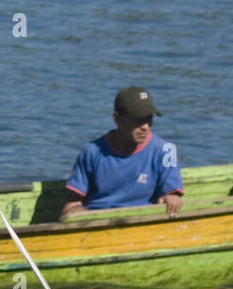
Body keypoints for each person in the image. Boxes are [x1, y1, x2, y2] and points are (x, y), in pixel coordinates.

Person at [61, 87, 183, 220]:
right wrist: (73, 212)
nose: (145, 126)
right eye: (138, 119)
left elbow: (171, 194)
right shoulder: (91, 151)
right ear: (116, 118)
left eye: (149, 119)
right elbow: (73, 202)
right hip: (96, 221)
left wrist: (172, 198)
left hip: (141, 221)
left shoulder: (167, 151)